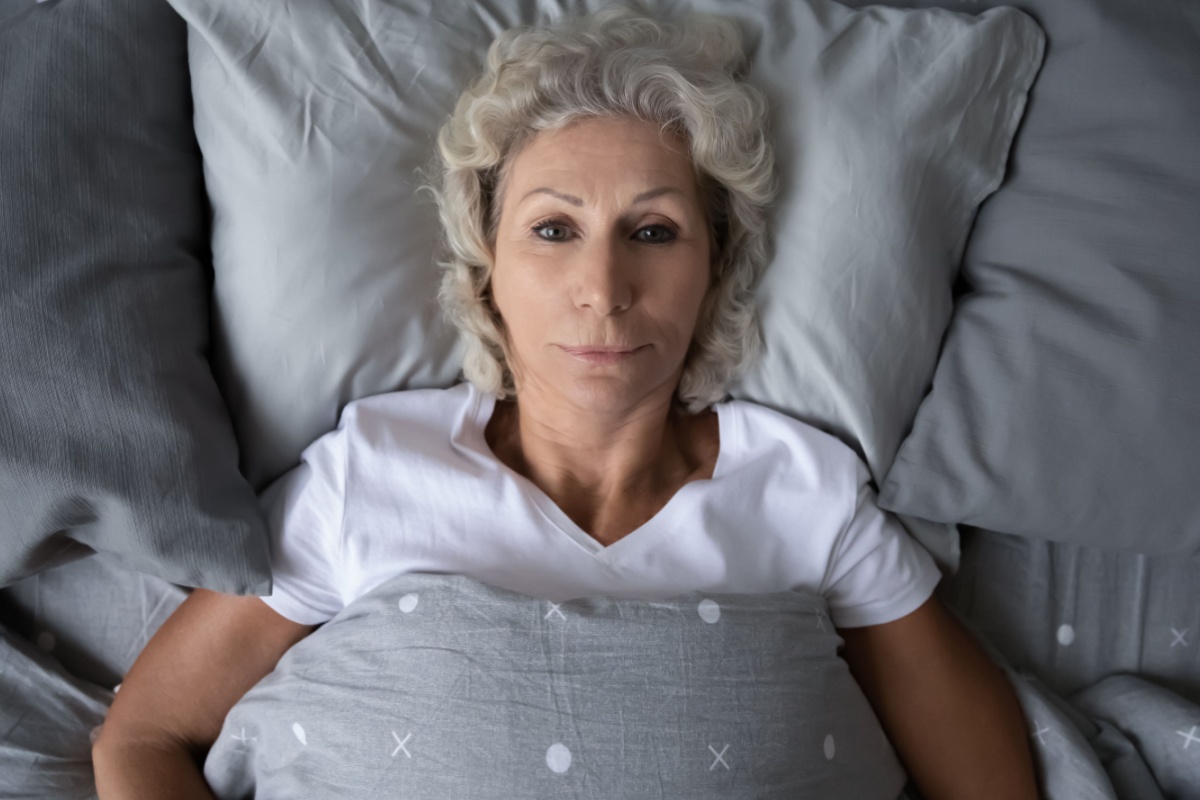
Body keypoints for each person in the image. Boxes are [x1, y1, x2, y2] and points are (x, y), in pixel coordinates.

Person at [93, 6, 1038, 799]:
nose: (603, 285)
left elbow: (991, 783)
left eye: (654, 231)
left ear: (715, 272)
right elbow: (143, 739)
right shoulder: (372, 472)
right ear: (488, 268)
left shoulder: (804, 491)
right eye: (553, 228)